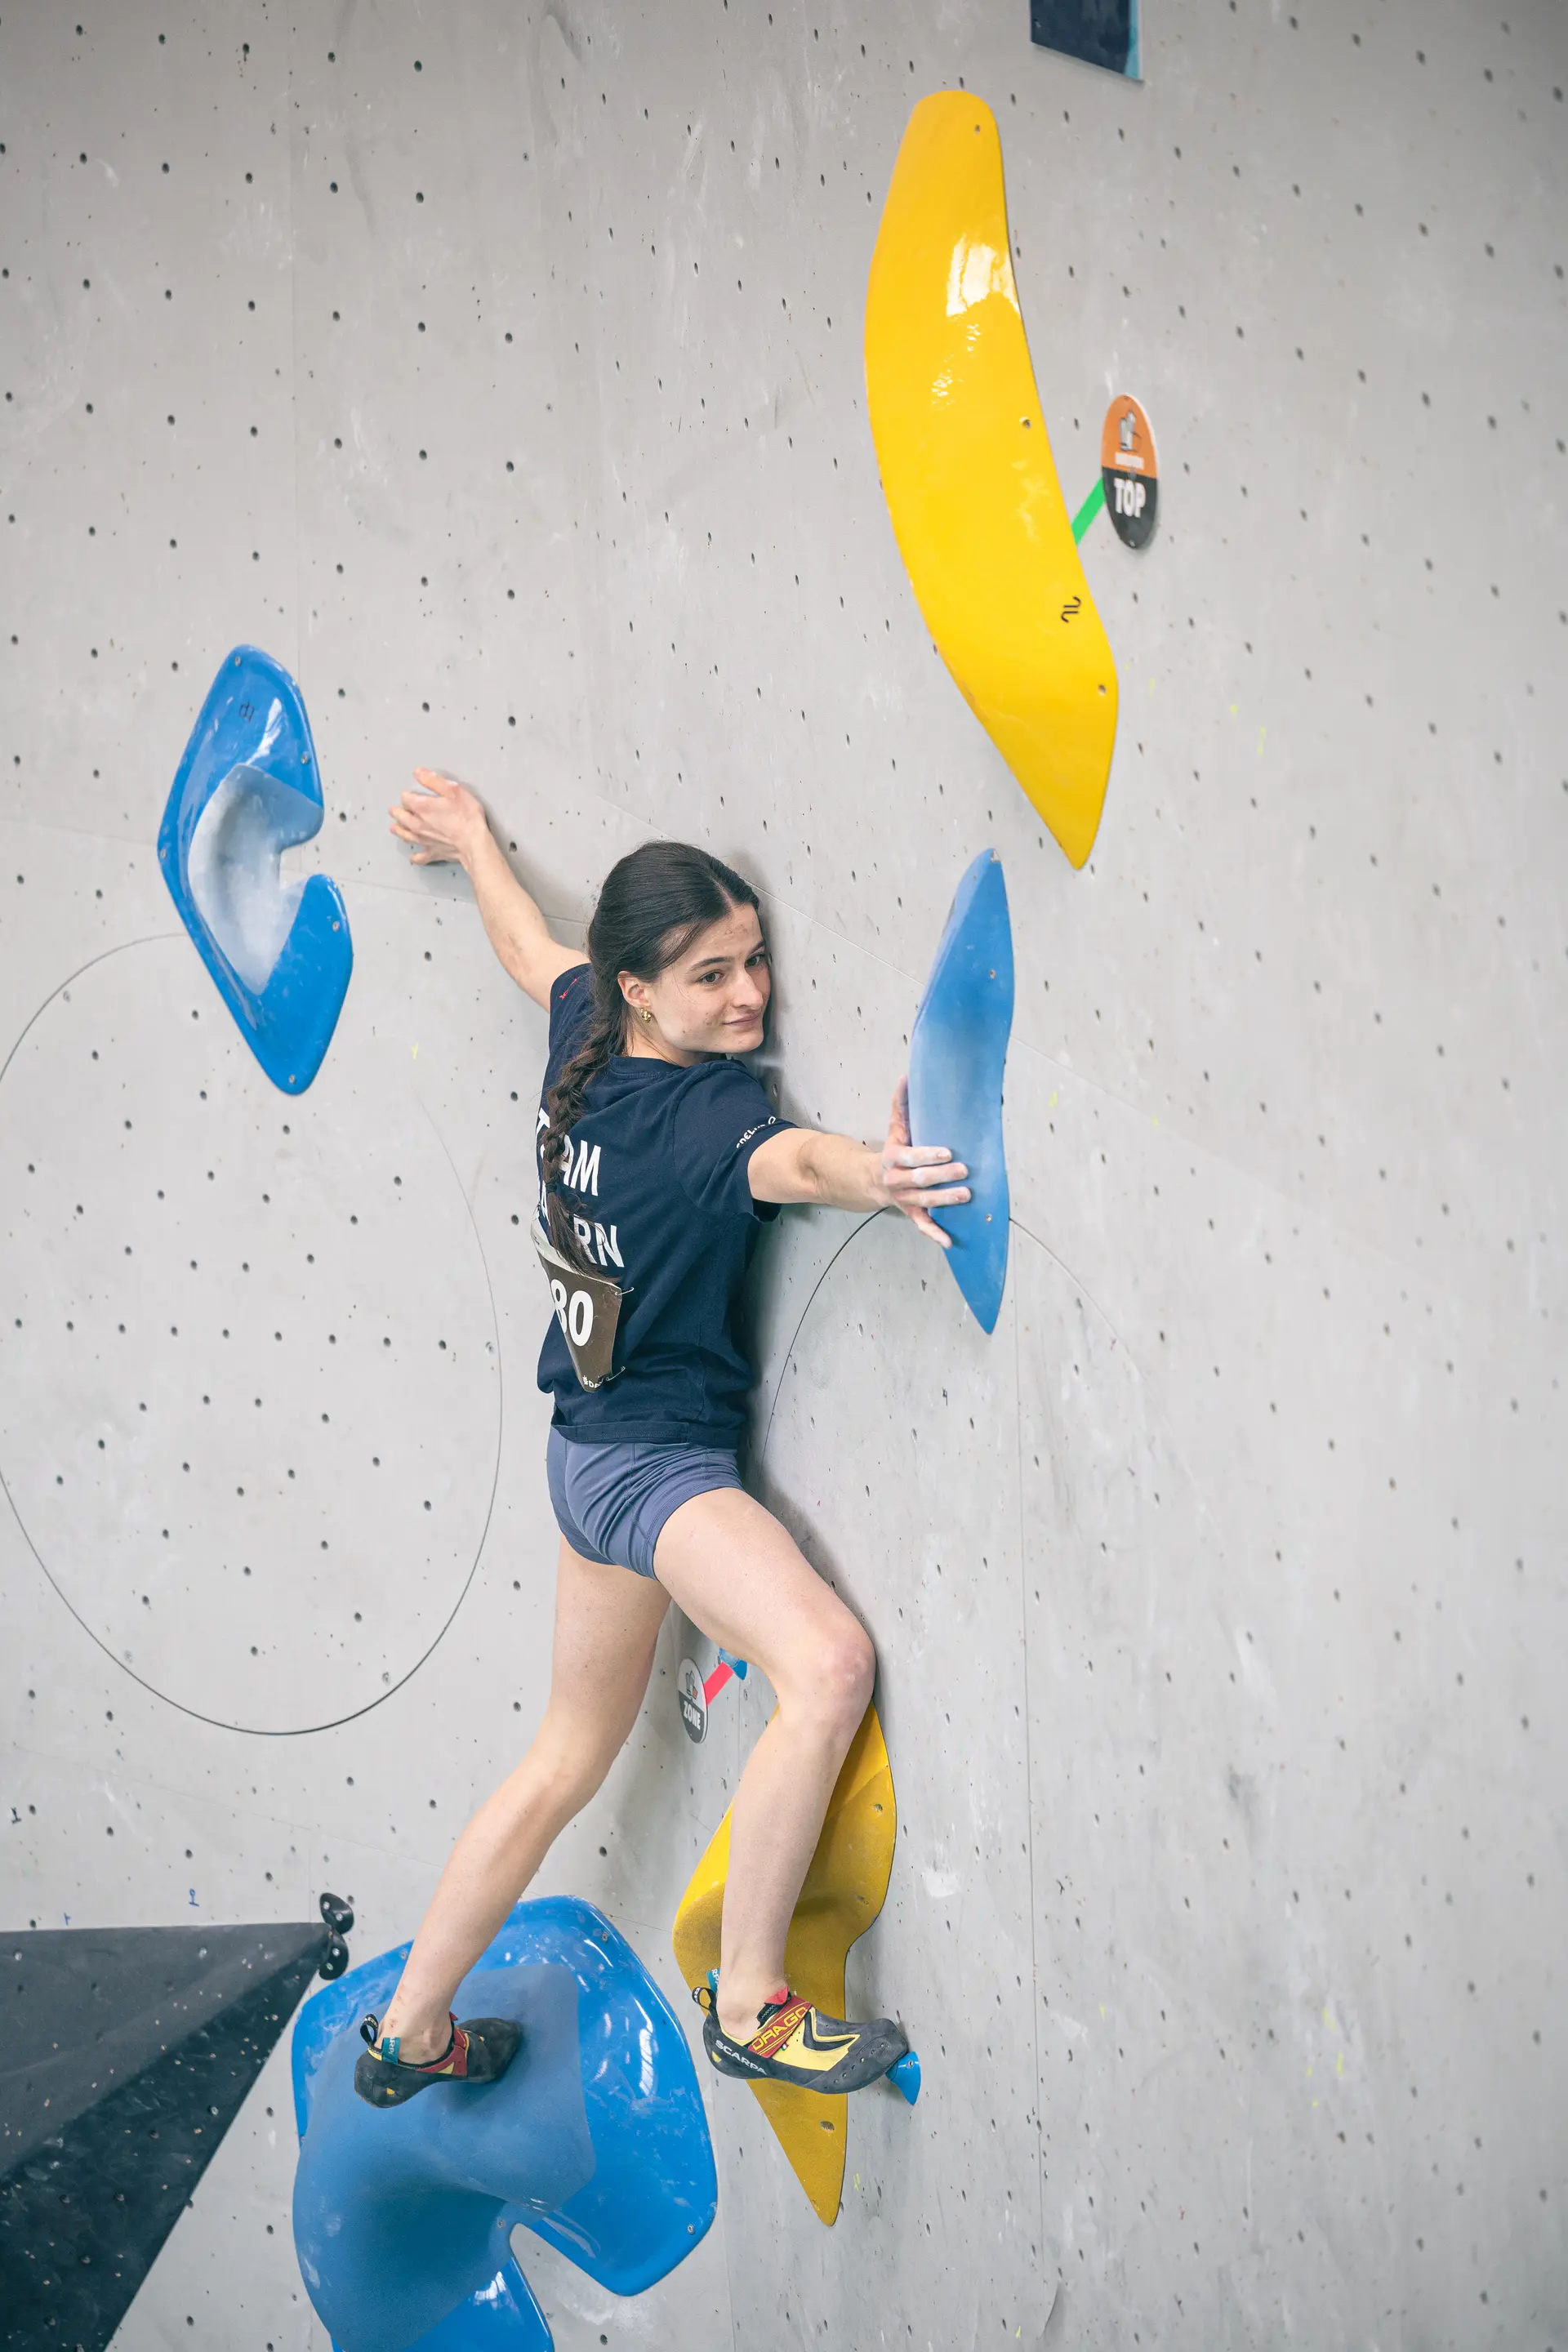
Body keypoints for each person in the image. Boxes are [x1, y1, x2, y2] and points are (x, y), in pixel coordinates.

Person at [353, 769, 968, 2110]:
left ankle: (408, 2031)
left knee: (566, 1758)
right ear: (642, 987)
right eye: (710, 977)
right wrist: (888, 1171)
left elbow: (531, 951)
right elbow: (797, 1165)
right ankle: (749, 2000)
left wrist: (472, 847)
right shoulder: (709, 1119)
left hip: (582, 1457)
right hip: (653, 1472)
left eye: (755, 961)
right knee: (827, 1665)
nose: (749, 998)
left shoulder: (587, 1026)